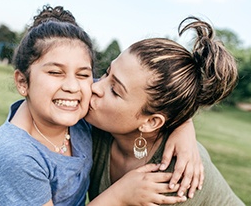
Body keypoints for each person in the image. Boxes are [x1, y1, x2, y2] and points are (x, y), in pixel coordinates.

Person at [0, 6, 203, 206]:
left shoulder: (84, 101)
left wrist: (183, 127)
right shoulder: (17, 155)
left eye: (84, 74)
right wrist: (119, 196)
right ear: (22, 82)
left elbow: (155, 98)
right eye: (55, 72)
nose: (72, 86)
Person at [86, 16, 245, 205]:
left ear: (151, 122)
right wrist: (185, 123)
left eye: (114, 91)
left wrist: (118, 196)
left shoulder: (178, 177)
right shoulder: (95, 125)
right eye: (106, 73)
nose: (95, 87)